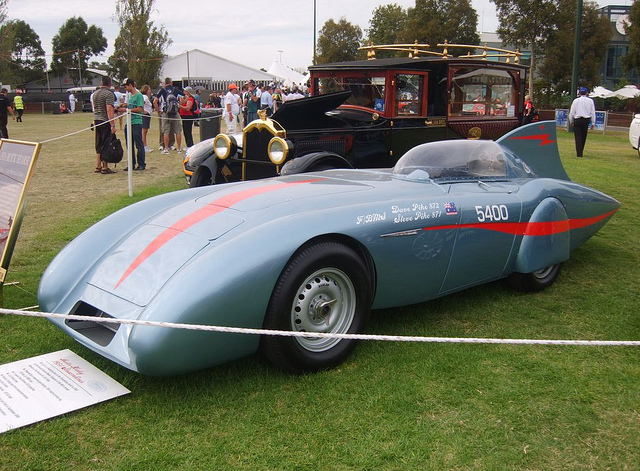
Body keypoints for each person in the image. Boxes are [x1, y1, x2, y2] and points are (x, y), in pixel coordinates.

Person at [92, 76, 117, 174]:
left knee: (98, 143)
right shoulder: (109, 94)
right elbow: (109, 109)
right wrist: (112, 125)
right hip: (105, 121)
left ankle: (98, 166)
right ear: (110, 84)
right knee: (105, 143)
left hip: (96, 119)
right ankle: (105, 167)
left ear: (101, 83)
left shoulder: (95, 94)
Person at [120, 78, 146, 170]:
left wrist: (127, 110)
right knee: (129, 145)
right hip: (128, 122)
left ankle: (141, 164)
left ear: (131, 85)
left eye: (126, 86)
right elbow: (129, 105)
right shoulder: (129, 95)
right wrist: (124, 105)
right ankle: (131, 164)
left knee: (138, 144)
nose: (125, 88)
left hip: (136, 123)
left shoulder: (139, 95)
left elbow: (140, 109)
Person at [156, 77, 183, 154]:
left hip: (166, 112)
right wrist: (179, 105)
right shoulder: (176, 90)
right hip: (175, 112)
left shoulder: (162, 90)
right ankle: (179, 148)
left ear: (165, 83)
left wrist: (158, 110)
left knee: (166, 131)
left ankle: (166, 148)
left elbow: (155, 101)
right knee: (178, 131)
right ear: (171, 82)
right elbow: (185, 97)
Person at [569, 86, 596, 158]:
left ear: (579, 93)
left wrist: (571, 120)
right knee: (583, 136)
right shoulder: (590, 101)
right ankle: (581, 150)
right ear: (587, 93)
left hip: (577, 119)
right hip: (586, 120)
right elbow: (592, 112)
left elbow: (572, 112)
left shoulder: (576, 101)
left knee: (578, 137)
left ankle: (579, 153)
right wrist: (593, 123)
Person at [140, 84, 154, 153]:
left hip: (147, 115)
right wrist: (142, 111)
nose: (150, 91)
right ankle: (144, 146)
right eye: (149, 90)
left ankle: (145, 145)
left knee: (145, 131)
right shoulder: (144, 97)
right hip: (145, 115)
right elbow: (142, 103)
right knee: (144, 132)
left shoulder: (145, 97)